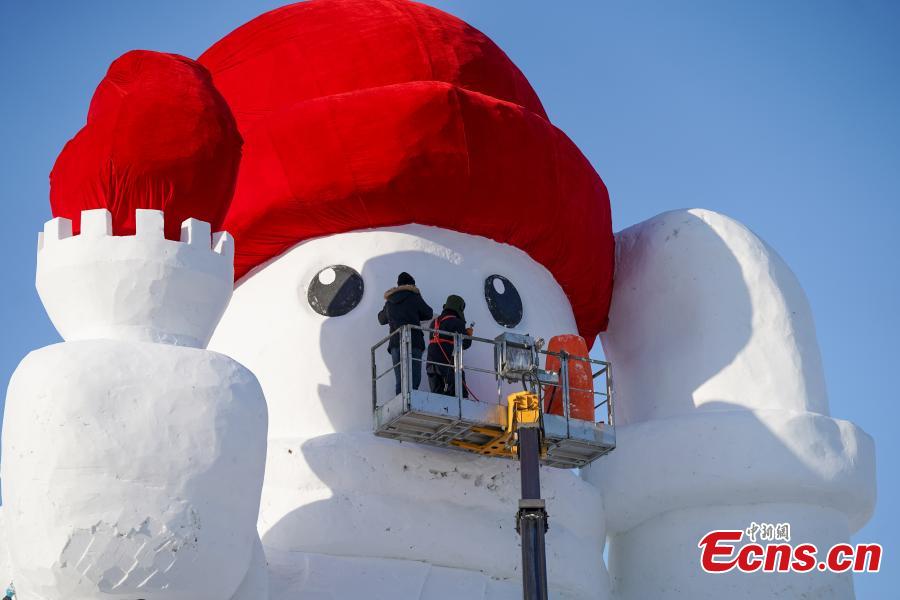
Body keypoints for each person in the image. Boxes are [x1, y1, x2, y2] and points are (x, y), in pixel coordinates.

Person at [378, 272, 434, 395]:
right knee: (414, 378)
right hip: (414, 342)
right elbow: (429, 313)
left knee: (400, 379)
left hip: (395, 343)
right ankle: (411, 401)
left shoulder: (390, 301)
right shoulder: (414, 297)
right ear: (411, 284)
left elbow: (381, 319)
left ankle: (401, 402)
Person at [427, 294, 474, 397]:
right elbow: (465, 344)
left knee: (437, 397)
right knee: (459, 395)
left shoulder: (434, 322)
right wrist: (468, 335)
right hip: (448, 365)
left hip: (431, 365)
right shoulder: (457, 322)